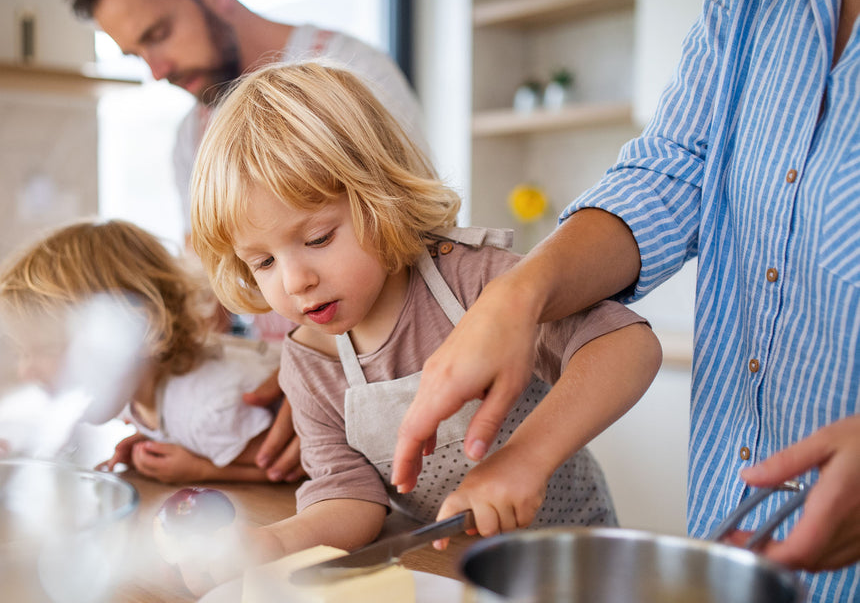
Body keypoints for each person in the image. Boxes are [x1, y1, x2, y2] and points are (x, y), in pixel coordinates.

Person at [391, 0, 860, 600]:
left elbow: (627, 347)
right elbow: (674, 167)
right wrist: (519, 294)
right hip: (731, 513)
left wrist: (528, 453)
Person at [183, 61, 661, 589]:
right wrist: (270, 542)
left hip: (575, 565)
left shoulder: (475, 282)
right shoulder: (310, 360)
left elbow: (627, 345)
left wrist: (525, 459)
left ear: (380, 196)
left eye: (318, 238)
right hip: (449, 572)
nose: (295, 282)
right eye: (262, 262)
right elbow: (351, 497)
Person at [65, 0, 428, 485]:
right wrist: (171, 421)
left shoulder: (351, 75)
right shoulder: (193, 139)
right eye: (137, 54)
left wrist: (320, 375)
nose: (157, 68)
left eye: (159, 33)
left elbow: (416, 242)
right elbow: (208, 292)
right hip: (288, 411)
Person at [0, 218, 286, 484]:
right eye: (21, 352)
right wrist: (165, 439)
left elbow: (289, 461)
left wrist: (202, 467)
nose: (25, 371)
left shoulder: (204, 409)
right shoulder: (142, 387)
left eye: (46, 348)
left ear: (138, 331)